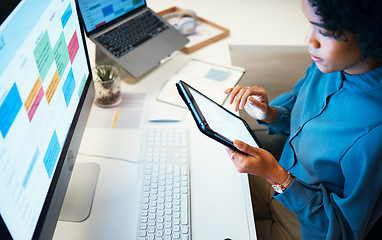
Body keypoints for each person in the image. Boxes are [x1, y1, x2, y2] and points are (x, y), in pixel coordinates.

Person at [224, 0, 382, 239]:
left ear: (372, 33)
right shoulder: (327, 65)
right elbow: (305, 123)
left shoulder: (375, 132)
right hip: (278, 184)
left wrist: (276, 175)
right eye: (310, 25)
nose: (309, 40)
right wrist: (270, 114)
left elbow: (345, 232)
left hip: (305, 227)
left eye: (325, 32)